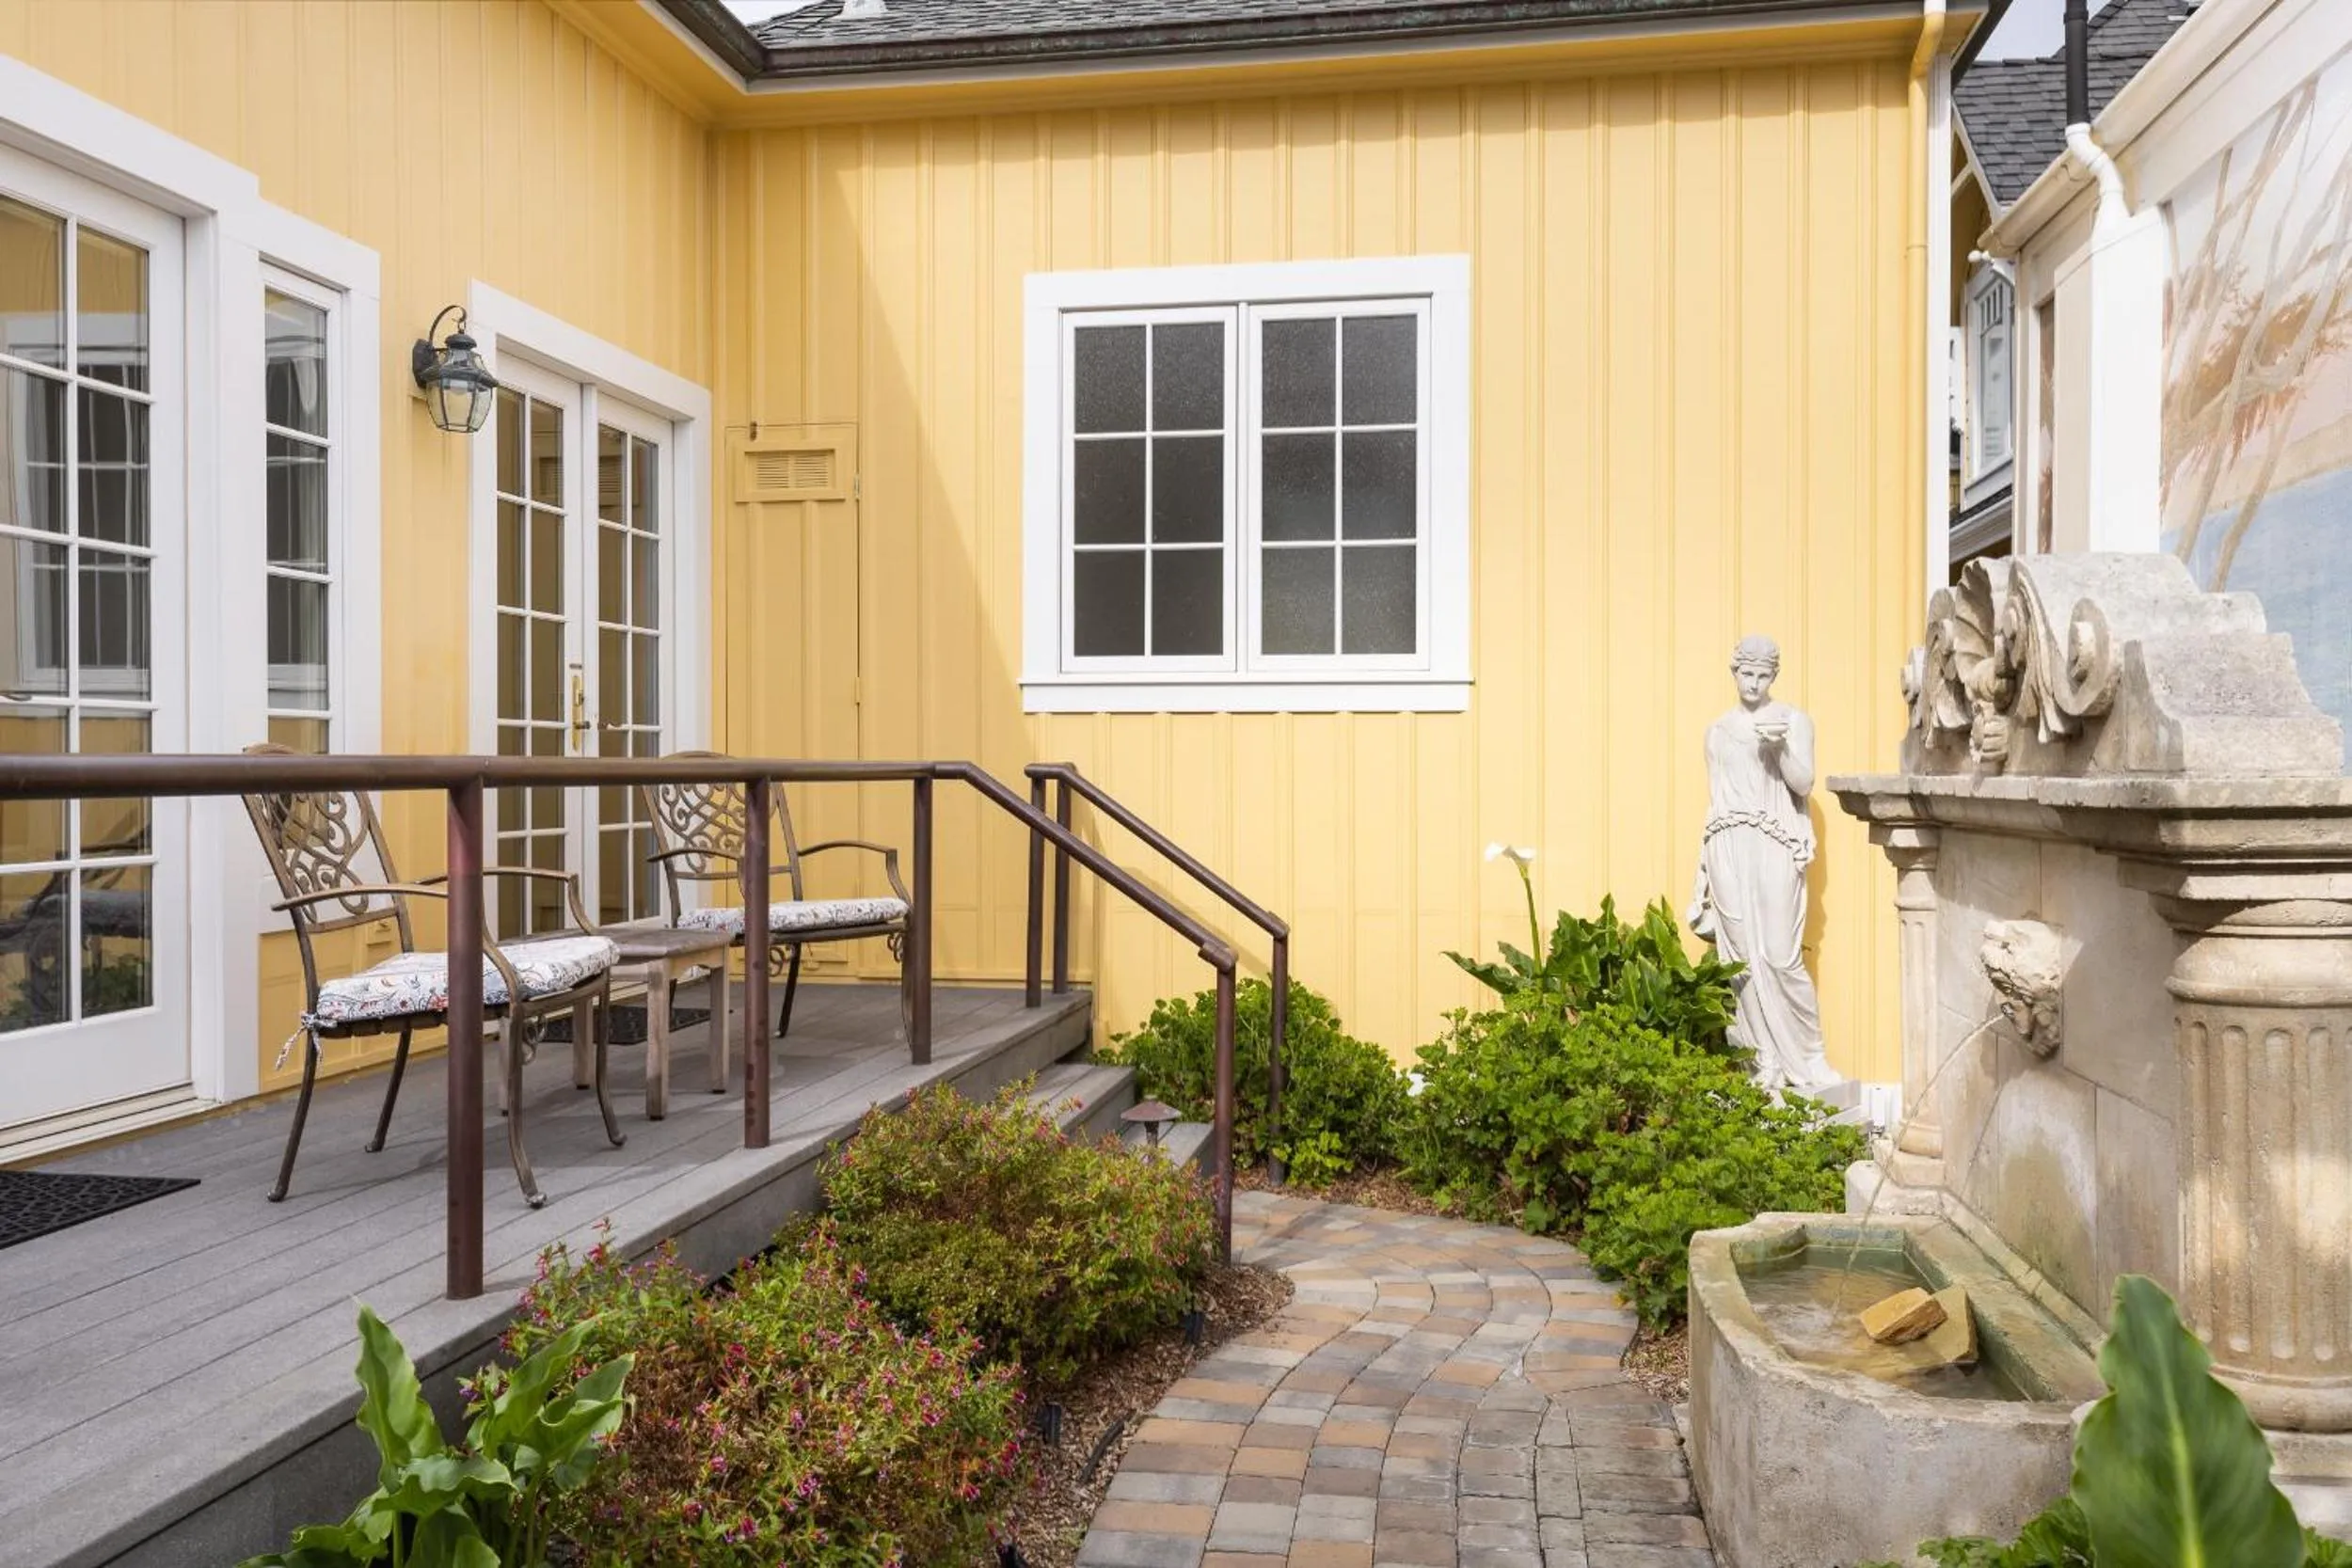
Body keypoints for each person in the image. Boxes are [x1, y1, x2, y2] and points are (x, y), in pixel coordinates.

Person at [1686, 635, 1840, 1090]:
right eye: (1746, 674)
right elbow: (1716, 799)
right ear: (1734, 673)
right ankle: (1761, 1062)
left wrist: (1779, 749)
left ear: (1774, 676)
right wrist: (1703, 871)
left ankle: (1810, 1059)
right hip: (1726, 844)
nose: (1753, 684)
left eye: (1762, 675)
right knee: (1739, 957)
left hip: (1774, 841)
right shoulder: (1717, 731)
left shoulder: (1793, 721)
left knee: (1778, 954)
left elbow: (1804, 783)